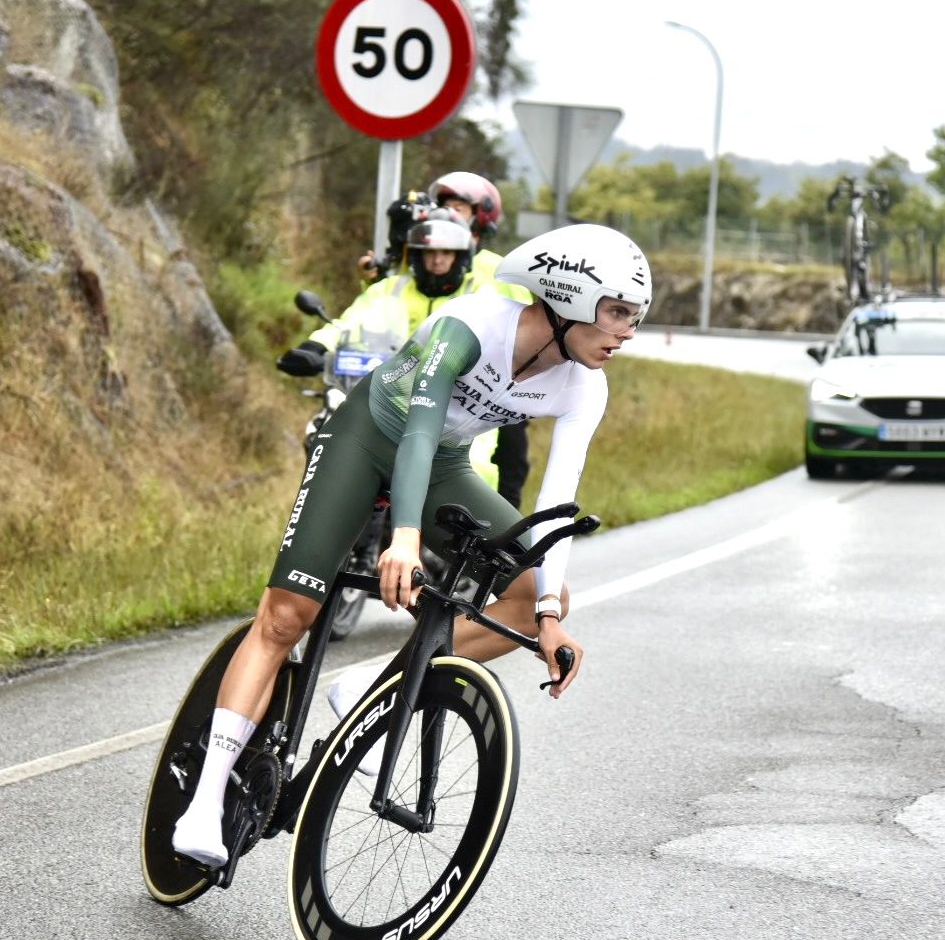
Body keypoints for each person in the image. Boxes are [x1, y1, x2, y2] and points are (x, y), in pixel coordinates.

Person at [172, 223, 652, 868]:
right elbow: (418, 431)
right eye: (618, 312)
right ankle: (204, 801)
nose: (627, 331)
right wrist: (403, 537)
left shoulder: (584, 384)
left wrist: (546, 618)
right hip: (367, 439)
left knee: (539, 591)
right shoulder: (473, 324)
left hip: (444, 464)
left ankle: (371, 683)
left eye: (635, 317)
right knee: (288, 615)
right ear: (566, 298)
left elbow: (553, 503)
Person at [279, 208, 503, 484]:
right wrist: (316, 346)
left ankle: (470, 526)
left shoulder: (481, 296)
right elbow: (349, 322)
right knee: (325, 436)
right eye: (428, 252)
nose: (436, 260)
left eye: (446, 253)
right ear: (415, 254)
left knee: (473, 470)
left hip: (458, 406)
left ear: (461, 256)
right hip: (388, 397)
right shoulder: (389, 288)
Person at [427, 170, 533, 507]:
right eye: (445, 206)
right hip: (434, 372)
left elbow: (529, 320)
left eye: (460, 207)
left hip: (495, 381)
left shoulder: (501, 269)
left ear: (481, 216)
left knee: (510, 457)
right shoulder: (431, 260)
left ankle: (505, 542)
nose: (451, 215)